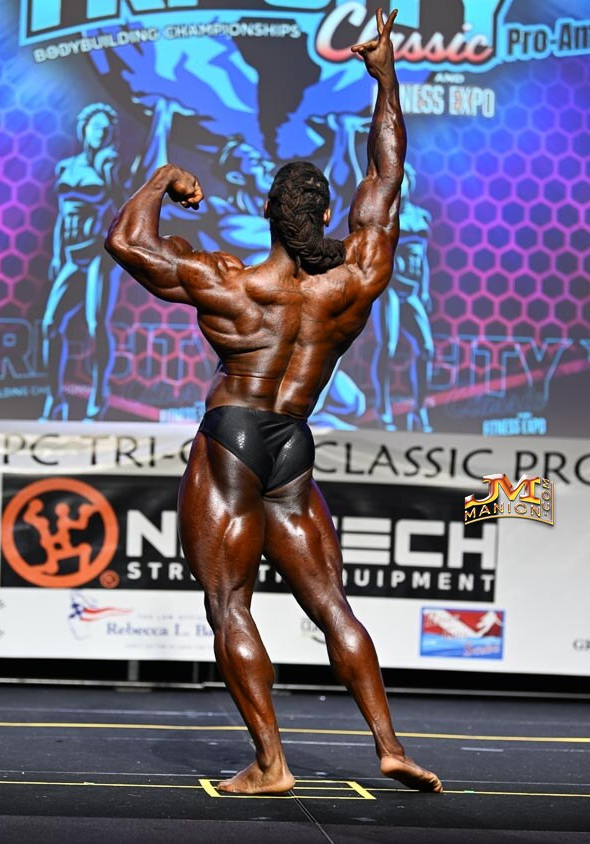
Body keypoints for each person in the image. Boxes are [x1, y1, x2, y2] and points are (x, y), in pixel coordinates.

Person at [105, 9, 442, 796]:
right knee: (332, 604)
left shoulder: (231, 283)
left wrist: (162, 179)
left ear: (267, 212)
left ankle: (271, 763)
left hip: (233, 435)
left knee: (230, 603)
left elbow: (127, 243)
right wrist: (385, 76)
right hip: (294, 439)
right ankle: (390, 745)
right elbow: (387, 173)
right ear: (327, 215)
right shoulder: (356, 276)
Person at [42, 103, 122, 421]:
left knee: (95, 324)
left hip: (98, 254)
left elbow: (122, 206)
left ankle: (98, 398)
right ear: (84, 129)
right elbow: (62, 216)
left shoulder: (109, 164)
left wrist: (108, 172)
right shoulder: (67, 166)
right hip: (71, 255)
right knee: (51, 324)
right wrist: (57, 254)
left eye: (105, 128)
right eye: (95, 126)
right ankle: (55, 400)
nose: (100, 132)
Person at [371, 161, 435, 431]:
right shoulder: (384, 217)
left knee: (426, 348)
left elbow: (424, 257)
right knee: (389, 346)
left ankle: (419, 410)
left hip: (413, 292)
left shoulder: (422, 216)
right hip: (391, 289)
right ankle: (383, 408)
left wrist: (424, 289)